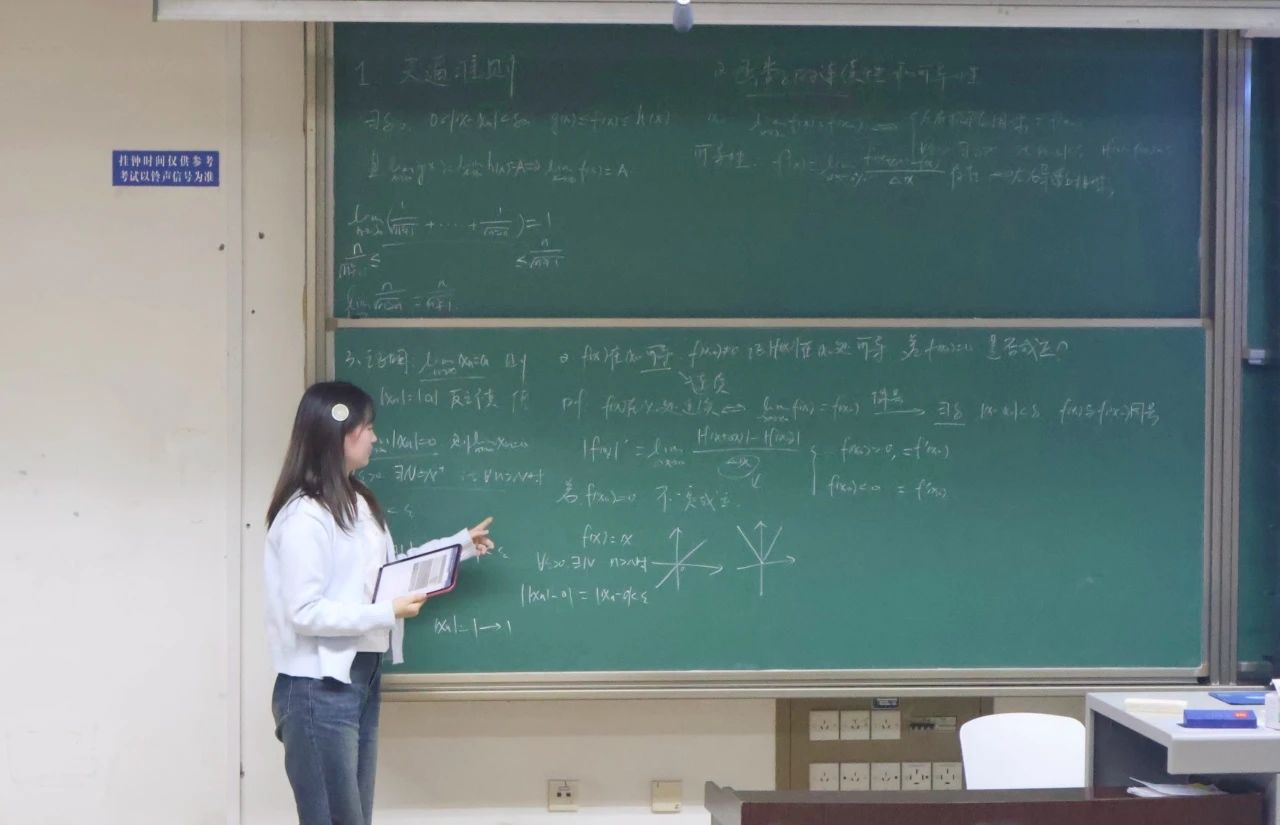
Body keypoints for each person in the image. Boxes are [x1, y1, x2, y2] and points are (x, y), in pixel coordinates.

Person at [263, 381, 495, 824]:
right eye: (367, 427)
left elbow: (387, 576)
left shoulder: (358, 501)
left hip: (360, 675)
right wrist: (387, 612)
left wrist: (459, 546)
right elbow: (304, 612)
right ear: (338, 431)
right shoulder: (304, 516)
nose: (374, 437)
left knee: (352, 817)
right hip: (319, 686)